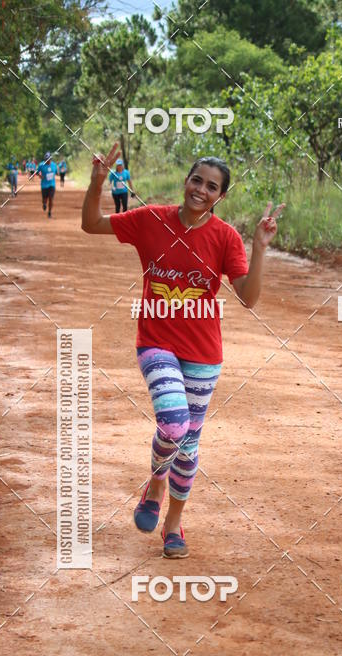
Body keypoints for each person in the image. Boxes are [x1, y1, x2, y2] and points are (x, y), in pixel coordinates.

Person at [82, 143, 285, 558]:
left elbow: (247, 297)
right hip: (156, 343)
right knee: (173, 425)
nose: (201, 190)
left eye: (212, 187)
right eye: (197, 180)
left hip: (204, 352)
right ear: (186, 180)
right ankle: (156, 483)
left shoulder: (226, 238)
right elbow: (91, 224)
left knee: (189, 445)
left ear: (220, 197)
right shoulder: (150, 220)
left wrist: (260, 247)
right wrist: (97, 182)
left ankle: (173, 523)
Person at [37, 151, 58, 217]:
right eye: (46, 159)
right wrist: (40, 175)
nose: (47, 161)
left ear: (51, 159)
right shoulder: (41, 165)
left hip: (52, 185)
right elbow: (38, 172)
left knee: (51, 199)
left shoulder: (54, 165)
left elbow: (57, 172)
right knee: (44, 199)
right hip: (44, 185)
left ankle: (49, 212)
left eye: (48, 159)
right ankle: (44, 204)